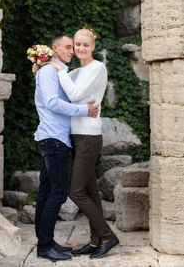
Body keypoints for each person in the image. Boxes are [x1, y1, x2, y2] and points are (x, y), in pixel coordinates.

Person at [49, 28, 119, 259]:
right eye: (77, 44)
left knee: (76, 192)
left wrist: (59, 71)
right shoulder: (78, 70)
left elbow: (75, 95)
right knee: (91, 192)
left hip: (89, 136)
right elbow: (60, 92)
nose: (80, 48)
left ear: (93, 46)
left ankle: (108, 236)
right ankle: (96, 240)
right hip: (77, 136)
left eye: (85, 45)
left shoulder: (97, 68)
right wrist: (43, 67)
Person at [34, 32, 99, 263]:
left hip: (51, 138)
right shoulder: (50, 71)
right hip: (54, 139)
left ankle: (46, 243)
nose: (72, 51)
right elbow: (52, 102)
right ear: (54, 47)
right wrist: (85, 111)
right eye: (68, 47)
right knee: (59, 192)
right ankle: (45, 245)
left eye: (73, 48)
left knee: (46, 194)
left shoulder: (55, 71)